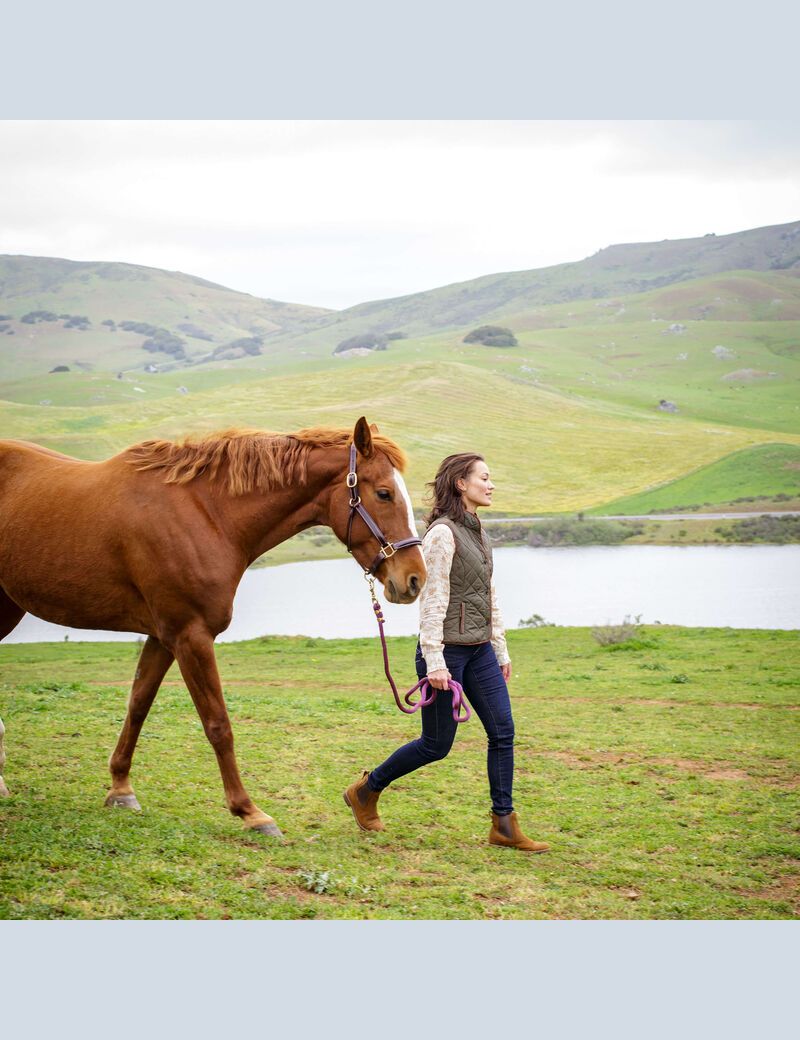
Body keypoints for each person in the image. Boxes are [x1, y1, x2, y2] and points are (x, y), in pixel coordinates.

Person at [344, 453, 549, 853]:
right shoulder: (442, 533)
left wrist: (500, 648)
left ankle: (503, 825)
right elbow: (433, 601)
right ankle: (366, 791)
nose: (490, 485)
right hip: (448, 655)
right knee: (436, 745)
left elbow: (486, 594)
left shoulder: (477, 530)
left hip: (480, 650)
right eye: (484, 478)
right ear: (461, 483)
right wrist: (435, 661)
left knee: (503, 732)